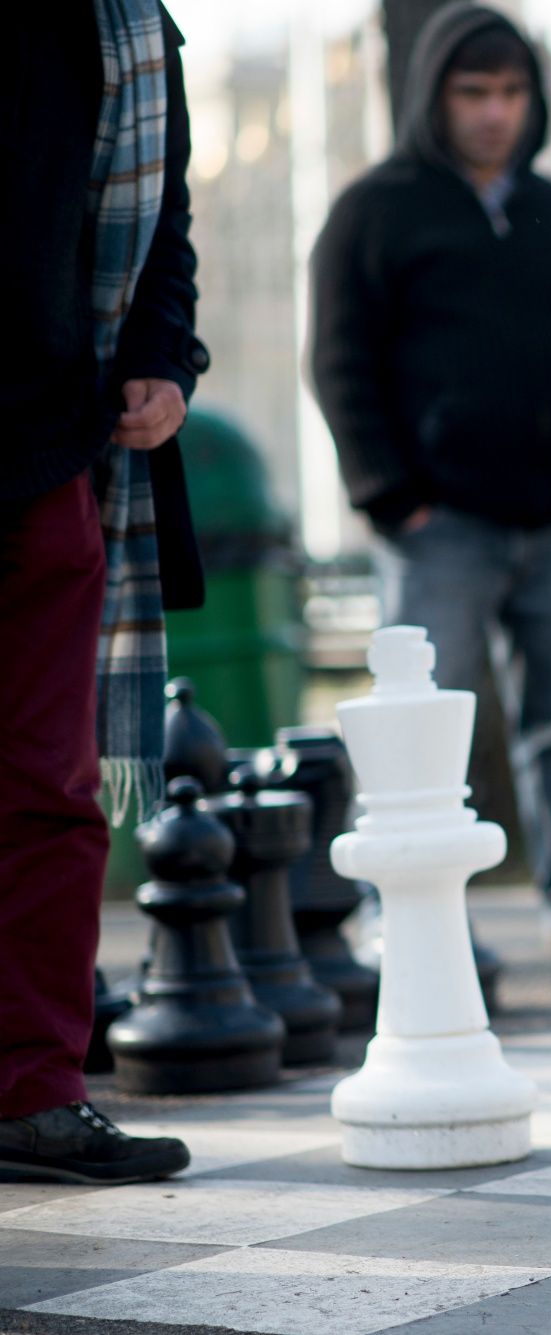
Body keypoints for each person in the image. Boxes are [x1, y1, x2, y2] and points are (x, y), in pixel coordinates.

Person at [310, 4, 551, 950]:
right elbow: (339, 362)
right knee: (417, 727)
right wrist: (392, 497)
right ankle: (403, 914)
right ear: (435, 97)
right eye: (474, 93)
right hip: (440, 524)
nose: (494, 112)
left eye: (509, 92)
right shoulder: (372, 212)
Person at [1, 1, 207, 1184]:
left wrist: (162, 361)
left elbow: (164, 229)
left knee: (53, 795)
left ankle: (34, 1094)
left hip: (54, 462)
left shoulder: (133, 26)